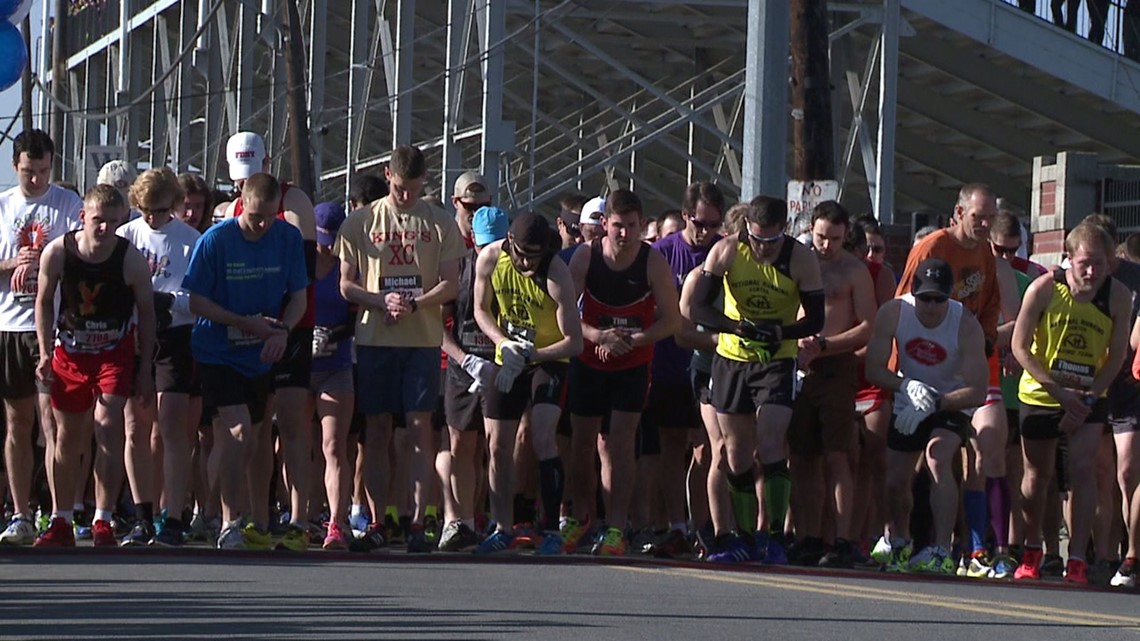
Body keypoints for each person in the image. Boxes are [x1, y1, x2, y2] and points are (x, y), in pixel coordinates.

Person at [336, 144, 465, 553]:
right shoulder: (362, 220)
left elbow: (450, 283)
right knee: (376, 430)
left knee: (418, 428)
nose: (405, 195)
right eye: (399, 187)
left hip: (421, 340)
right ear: (387, 176)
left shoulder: (440, 222)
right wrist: (381, 300)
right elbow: (346, 283)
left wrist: (415, 303)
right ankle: (378, 519)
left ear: (423, 181)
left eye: (413, 188)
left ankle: (416, 521)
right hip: (376, 337)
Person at [690, 196, 825, 563]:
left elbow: (816, 320)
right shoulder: (728, 251)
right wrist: (736, 326)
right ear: (746, 229)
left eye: (771, 241)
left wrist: (781, 331)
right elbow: (699, 308)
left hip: (776, 360)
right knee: (735, 451)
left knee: (770, 443)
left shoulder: (801, 258)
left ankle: (775, 536)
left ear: (785, 231)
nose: (763, 249)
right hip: (732, 358)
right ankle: (743, 537)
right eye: (757, 239)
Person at [181, 172, 307, 549]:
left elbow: (299, 297)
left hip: (262, 352)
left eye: (270, 216)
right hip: (218, 350)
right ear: (242, 204)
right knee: (235, 431)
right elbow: (196, 301)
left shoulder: (287, 238)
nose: (262, 224)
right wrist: (243, 323)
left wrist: (281, 330)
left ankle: (245, 518)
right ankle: (228, 521)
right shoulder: (216, 240)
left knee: (254, 439)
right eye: (255, 217)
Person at [32, 184, 157, 547]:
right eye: (98, 221)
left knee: (106, 426)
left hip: (113, 353)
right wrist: (43, 353)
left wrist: (145, 367)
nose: (104, 230)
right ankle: (61, 518)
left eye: (113, 223)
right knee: (68, 437)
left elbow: (147, 313)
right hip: (70, 352)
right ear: (82, 217)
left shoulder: (129, 258)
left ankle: (103, 518)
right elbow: (43, 302)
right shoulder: (59, 252)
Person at [896, 183, 1005, 579]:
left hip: (961, 368)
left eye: (990, 217)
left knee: (950, 454)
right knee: (903, 464)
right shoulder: (932, 248)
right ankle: (900, 539)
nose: (986, 224)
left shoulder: (985, 250)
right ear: (958, 213)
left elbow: (990, 301)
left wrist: (987, 339)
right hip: (919, 369)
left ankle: (951, 547)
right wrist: (898, 377)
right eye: (979, 217)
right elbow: (903, 304)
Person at [1012, 223, 1130, 584]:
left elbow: (1117, 356)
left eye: (1099, 264)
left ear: (1110, 263)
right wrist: (1058, 392)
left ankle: (1077, 557)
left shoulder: (1118, 296)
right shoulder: (1045, 288)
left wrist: (1089, 397)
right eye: (1085, 263)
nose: (1092, 272)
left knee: (1084, 471)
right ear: (1070, 258)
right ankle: (1033, 548)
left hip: (1088, 395)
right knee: (1037, 476)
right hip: (1042, 392)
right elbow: (1019, 347)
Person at [565, 189, 680, 557]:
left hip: (631, 363)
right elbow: (563, 313)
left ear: (642, 225)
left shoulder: (652, 261)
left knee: (621, 443)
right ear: (604, 225)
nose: (625, 235)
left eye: (632, 227)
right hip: (589, 359)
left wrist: (631, 340)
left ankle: (617, 526)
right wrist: (597, 335)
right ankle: (579, 518)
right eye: (618, 227)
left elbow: (672, 320)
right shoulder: (585, 257)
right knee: (582, 443)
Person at [224, 131, 319, 551]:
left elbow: (306, 267)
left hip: (292, 323)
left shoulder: (293, 200)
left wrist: (279, 321)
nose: (246, 187)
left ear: (267, 164)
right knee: (258, 427)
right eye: (240, 179)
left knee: (295, 423)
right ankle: (258, 519)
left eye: (253, 174)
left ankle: (301, 520)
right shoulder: (230, 209)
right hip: (250, 330)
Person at [866, 258, 989, 574]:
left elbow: (977, 390)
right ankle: (899, 541)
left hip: (951, 400)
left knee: (937, 456)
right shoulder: (894, 312)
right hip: (910, 397)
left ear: (950, 296)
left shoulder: (965, 324)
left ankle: (941, 549)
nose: (931, 307)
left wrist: (934, 404)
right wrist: (906, 385)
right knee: (895, 476)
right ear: (914, 293)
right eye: (925, 298)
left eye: (939, 299)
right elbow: (874, 369)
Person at [472, 212, 583, 554]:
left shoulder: (555, 273)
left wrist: (533, 353)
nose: (525, 262)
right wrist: (502, 343)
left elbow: (574, 342)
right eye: (520, 254)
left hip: (549, 357)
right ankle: (502, 525)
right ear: (508, 243)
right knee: (498, 444)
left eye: (533, 256)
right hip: (510, 356)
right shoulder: (491, 257)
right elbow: (480, 310)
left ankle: (551, 528)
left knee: (542, 436)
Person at [0, 129, 82, 546]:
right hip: (10, 325)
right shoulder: (3, 205)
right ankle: (20, 511)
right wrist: (15, 261)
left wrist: (47, 261)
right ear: (16, 165)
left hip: (52, 325)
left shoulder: (67, 204)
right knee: (18, 421)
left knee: (52, 421)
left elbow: (85, 254)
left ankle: (59, 513)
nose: (36, 180)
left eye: (44, 171)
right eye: (29, 172)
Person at [787, 201, 876, 568]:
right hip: (798, 364)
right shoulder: (797, 262)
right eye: (821, 236)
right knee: (802, 455)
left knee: (837, 454)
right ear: (812, 229)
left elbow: (867, 325)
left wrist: (825, 345)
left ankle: (841, 538)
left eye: (835, 238)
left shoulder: (853, 270)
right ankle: (806, 534)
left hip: (836, 364)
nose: (827, 245)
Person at [115, 169, 201, 546]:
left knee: (172, 427)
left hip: (175, 335)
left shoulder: (190, 240)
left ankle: (176, 515)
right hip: (135, 336)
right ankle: (142, 512)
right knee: (135, 426)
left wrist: (172, 303)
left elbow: (199, 298)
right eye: (146, 210)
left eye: (161, 210)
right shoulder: (127, 237)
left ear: (174, 205)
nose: (153, 218)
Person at [644, 181, 724, 557]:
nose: (706, 232)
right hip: (670, 365)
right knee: (673, 448)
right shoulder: (661, 253)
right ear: (686, 216)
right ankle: (676, 524)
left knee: (709, 451)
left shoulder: (725, 254)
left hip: (713, 367)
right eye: (700, 223)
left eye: (714, 225)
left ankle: (704, 525)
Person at [437, 203, 506, 552]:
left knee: (496, 445)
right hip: (464, 367)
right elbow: (437, 325)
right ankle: (462, 521)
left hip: (502, 365)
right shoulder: (459, 271)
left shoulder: (516, 270)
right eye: (484, 245)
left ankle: (497, 521)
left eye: (498, 244)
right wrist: (465, 361)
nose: (490, 252)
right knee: (461, 445)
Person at [308, 202, 356, 550]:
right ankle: (301, 515)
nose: (325, 246)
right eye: (321, 238)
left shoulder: (347, 268)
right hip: (300, 365)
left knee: (333, 445)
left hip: (335, 364)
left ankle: (336, 523)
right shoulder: (299, 263)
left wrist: (332, 334)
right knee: (296, 444)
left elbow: (358, 315)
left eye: (331, 240)